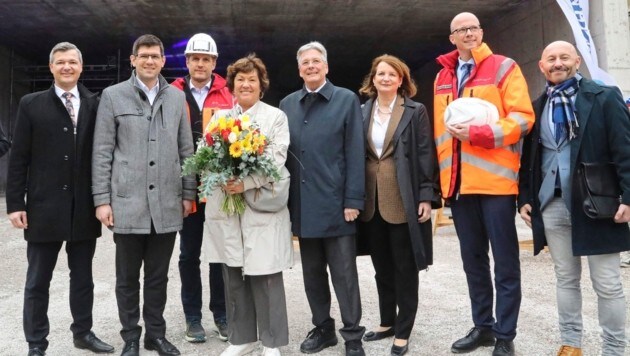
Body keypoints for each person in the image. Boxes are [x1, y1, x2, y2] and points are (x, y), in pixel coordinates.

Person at [518, 40, 630, 356]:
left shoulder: (604, 97)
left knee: (607, 283)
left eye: (564, 57)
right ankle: (571, 343)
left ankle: (614, 348)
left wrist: (629, 196)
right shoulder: (536, 106)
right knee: (565, 278)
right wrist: (524, 196)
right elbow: (529, 158)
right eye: (550, 58)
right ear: (541, 66)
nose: (557, 63)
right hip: (550, 203)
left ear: (576, 61)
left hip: (598, 202)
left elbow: (625, 149)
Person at [433, 12, 534, 356]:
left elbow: (522, 119)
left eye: (473, 28)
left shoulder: (503, 67)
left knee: (505, 263)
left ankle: (505, 335)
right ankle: (484, 327)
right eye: (461, 30)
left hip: (495, 186)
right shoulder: (442, 78)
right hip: (459, 188)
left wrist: (481, 134)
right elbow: (439, 134)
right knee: (473, 262)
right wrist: (441, 184)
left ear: (481, 32)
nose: (468, 33)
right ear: (452, 38)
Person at [6, 42, 114, 356]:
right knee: (38, 280)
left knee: (83, 278)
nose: (67, 67)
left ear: (81, 67)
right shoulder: (31, 103)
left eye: (72, 62)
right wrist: (16, 203)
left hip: (83, 208)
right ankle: (36, 342)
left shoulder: (96, 104)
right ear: (51, 67)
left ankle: (83, 332)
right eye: (60, 62)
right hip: (43, 208)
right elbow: (19, 157)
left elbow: (105, 154)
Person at [92, 34, 195, 356]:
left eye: (155, 56)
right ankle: (131, 338)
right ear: (133, 60)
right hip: (127, 203)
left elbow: (186, 149)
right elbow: (102, 150)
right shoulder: (113, 96)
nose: (150, 61)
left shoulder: (176, 98)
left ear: (164, 61)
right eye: (144, 55)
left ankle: (156, 334)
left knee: (158, 277)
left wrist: (188, 192)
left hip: (166, 202)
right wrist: (102, 199)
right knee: (126, 279)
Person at [279, 41, 366, 356]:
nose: (311, 66)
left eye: (317, 61)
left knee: (344, 276)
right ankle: (323, 328)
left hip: (337, 206)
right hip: (302, 205)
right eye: (305, 62)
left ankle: (353, 336)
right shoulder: (287, 104)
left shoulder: (346, 100)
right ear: (299, 68)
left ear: (326, 66)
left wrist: (353, 200)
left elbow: (355, 153)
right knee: (312, 274)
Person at [202, 54, 293, 356]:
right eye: (240, 79)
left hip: (260, 206)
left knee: (265, 275)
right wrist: (223, 176)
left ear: (261, 85)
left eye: (251, 79)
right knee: (234, 274)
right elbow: (205, 155)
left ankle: (271, 342)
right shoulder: (219, 118)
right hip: (229, 208)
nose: (245, 84)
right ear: (231, 85)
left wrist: (247, 182)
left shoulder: (275, 117)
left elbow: (276, 158)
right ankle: (242, 338)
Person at [356, 54, 440, 356]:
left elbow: (424, 153)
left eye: (392, 74)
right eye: (380, 74)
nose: (386, 78)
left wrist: (426, 196)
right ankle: (387, 321)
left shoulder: (414, 111)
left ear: (401, 80)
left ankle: (403, 329)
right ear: (373, 79)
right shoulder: (363, 110)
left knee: (405, 267)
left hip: (402, 197)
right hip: (371, 201)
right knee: (381, 267)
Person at [171, 32, 233, 343]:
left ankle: (221, 315)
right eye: (195, 58)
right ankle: (192, 317)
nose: (200, 63)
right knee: (188, 254)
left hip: (219, 187)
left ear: (214, 62)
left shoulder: (228, 94)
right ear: (187, 61)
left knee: (219, 253)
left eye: (206, 59)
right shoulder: (172, 93)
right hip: (185, 188)